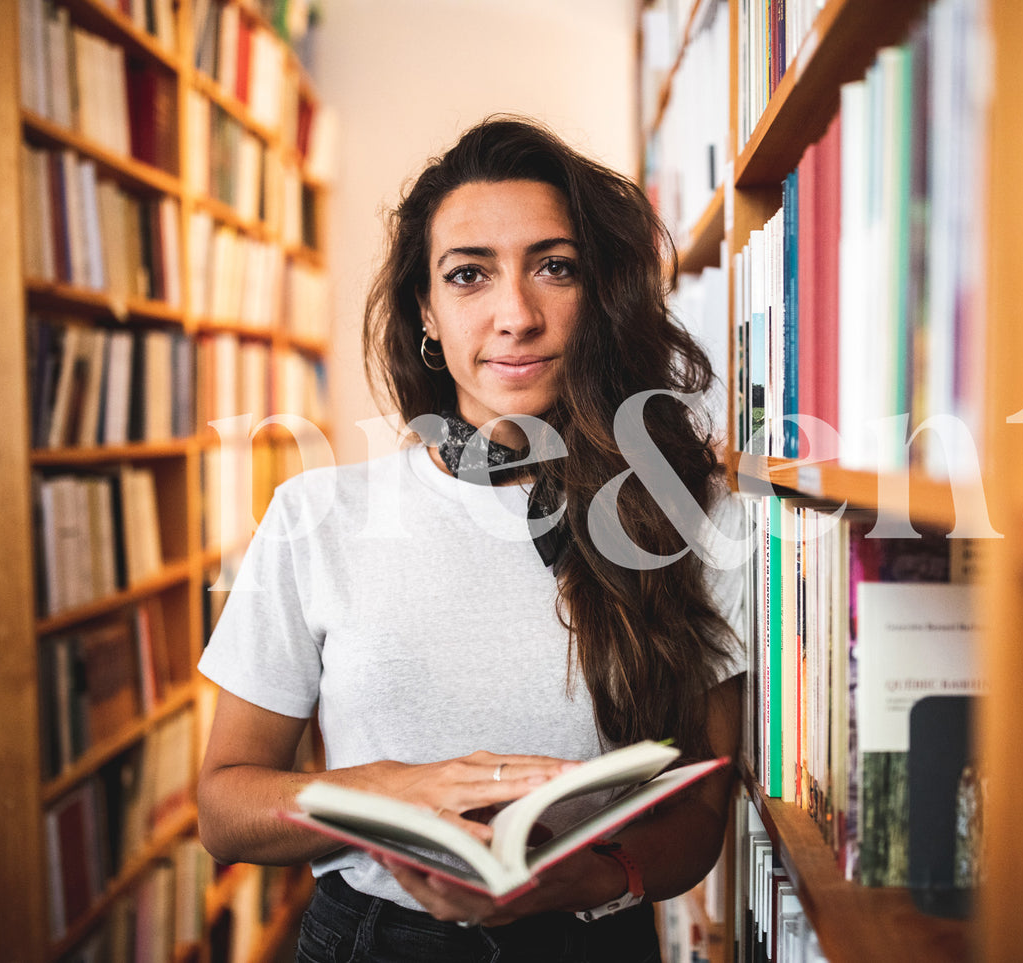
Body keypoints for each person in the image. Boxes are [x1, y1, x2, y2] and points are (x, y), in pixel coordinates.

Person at [195, 116, 747, 963]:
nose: (515, 316)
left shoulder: (689, 510)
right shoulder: (316, 514)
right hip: (371, 942)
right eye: (468, 276)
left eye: (553, 268)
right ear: (427, 310)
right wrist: (380, 791)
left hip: (596, 940)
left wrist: (594, 877)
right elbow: (224, 809)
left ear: (598, 294)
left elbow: (701, 818)